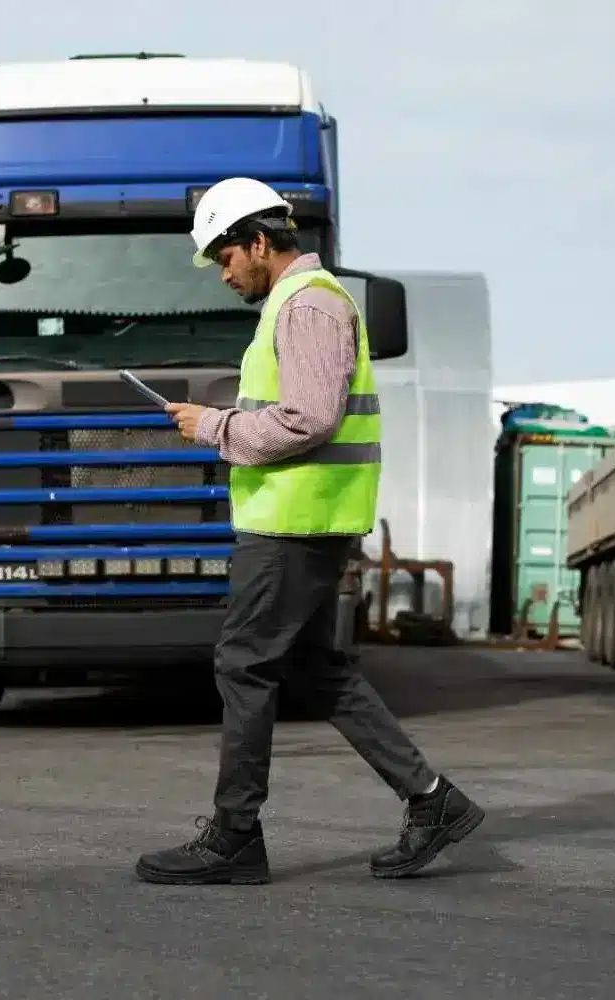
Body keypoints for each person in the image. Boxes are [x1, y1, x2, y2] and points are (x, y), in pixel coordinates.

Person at [133, 178, 485, 886]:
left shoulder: (310, 305)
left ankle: (234, 837)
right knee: (315, 668)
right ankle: (432, 800)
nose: (222, 271)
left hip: (295, 523)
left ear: (259, 242)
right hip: (304, 516)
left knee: (244, 664)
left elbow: (310, 418)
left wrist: (216, 426)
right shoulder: (299, 306)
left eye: (225, 255)